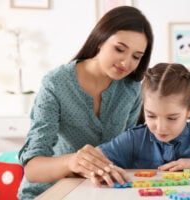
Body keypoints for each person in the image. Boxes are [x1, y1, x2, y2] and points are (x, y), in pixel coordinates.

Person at [17, 6, 153, 199]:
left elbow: (125, 151)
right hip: (50, 192)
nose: (126, 63)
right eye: (119, 49)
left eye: (136, 57)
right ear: (100, 40)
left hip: (100, 192)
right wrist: (72, 162)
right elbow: (32, 169)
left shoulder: (131, 90)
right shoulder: (56, 83)